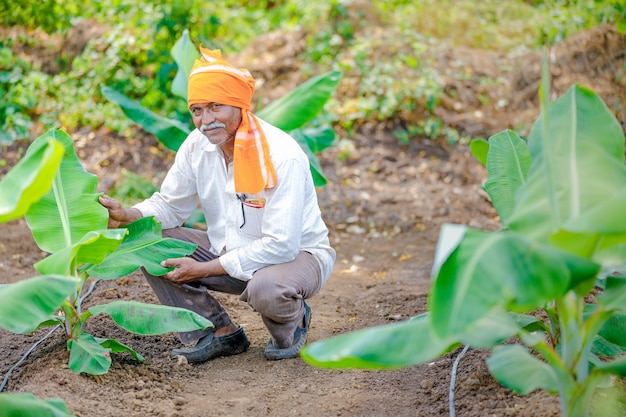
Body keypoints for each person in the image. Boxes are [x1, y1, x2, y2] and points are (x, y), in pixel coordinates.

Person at [99, 48, 335, 362]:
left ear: (238, 104)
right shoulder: (197, 146)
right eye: (197, 110)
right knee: (146, 240)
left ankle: (293, 320)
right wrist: (129, 215)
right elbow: (170, 205)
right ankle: (215, 331)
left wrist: (204, 268)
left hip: (296, 258)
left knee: (268, 288)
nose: (206, 121)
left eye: (215, 107)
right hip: (229, 247)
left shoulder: (281, 156)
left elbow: (281, 246)